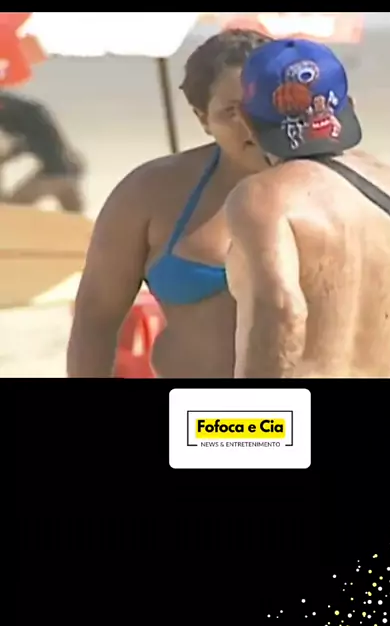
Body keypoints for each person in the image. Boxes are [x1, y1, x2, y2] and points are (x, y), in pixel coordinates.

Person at [224, 38, 390, 379]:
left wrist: (253, 412)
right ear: (350, 107)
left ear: (245, 119)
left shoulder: (261, 198)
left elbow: (282, 310)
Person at [67, 29, 271, 378]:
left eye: (264, 103)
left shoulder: (336, 187)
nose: (252, 125)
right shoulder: (151, 193)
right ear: (202, 118)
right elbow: (95, 318)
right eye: (231, 111)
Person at [0, 90, 85, 212]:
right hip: (69, 167)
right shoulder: (31, 114)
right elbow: (34, 140)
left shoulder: (16, 111)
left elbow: (30, 142)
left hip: (55, 174)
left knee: (12, 209)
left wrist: (8, 156)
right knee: (75, 214)